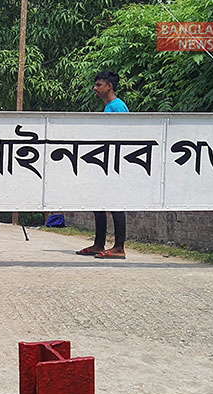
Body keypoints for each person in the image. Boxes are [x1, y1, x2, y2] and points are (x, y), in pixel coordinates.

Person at [76, 70, 128, 259]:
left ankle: (119, 247)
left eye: (99, 85)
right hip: (103, 162)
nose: (95, 88)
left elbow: (124, 135)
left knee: (115, 202)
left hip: (115, 162)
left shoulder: (118, 107)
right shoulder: (108, 107)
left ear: (109, 86)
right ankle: (99, 244)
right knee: (99, 201)